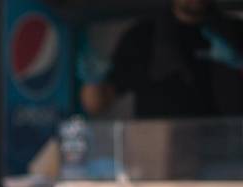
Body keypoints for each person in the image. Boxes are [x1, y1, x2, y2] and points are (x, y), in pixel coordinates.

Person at [80, 0, 243, 118]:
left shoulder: (236, 32)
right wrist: (93, 81)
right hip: (158, 154)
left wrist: (240, 63)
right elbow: (96, 105)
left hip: (228, 153)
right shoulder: (141, 37)